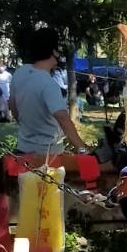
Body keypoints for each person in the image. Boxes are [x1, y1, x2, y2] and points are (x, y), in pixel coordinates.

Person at [10, 26, 89, 157]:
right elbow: (63, 119)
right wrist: (82, 149)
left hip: (22, 149)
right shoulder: (48, 83)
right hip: (47, 155)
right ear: (54, 52)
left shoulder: (20, 73)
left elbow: (13, 106)